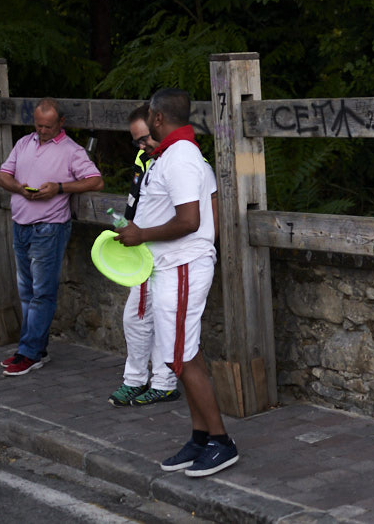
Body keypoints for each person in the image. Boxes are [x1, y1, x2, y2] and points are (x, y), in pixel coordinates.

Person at [115, 88, 237, 477]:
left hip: (183, 265)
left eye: (149, 115)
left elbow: (191, 221)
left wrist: (141, 235)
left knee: (180, 358)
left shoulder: (181, 158)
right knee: (185, 355)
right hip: (175, 266)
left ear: (157, 117)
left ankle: (222, 442)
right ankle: (200, 437)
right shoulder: (176, 155)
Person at [0, 98, 103, 376]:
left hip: (49, 227)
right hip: (20, 224)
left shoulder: (71, 150)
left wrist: (59, 188)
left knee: (41, 294)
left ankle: (28, 353)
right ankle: (34, 350)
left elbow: (95, 180)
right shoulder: (24, 143)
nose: (41, 130)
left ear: (61, 123)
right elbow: (2, 176)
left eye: (47, 126)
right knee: (27, 291)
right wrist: (20, 189)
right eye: (38, 124)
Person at [108, 105, 181, 407]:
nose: (142, 145)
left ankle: (165, 383)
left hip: (172, 255)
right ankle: (135, 380)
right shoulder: (144, 158)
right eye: (136, 140)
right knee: (135, 319)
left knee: (167, 321)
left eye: (146, 138)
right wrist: (124, 224)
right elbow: (136, 198)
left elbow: (191, 216)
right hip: (144, 254)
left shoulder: (184, 161)